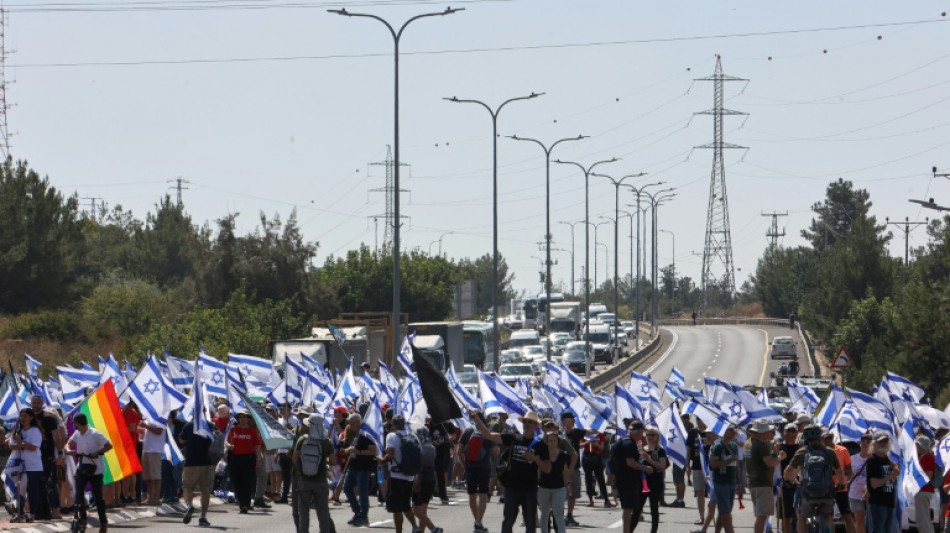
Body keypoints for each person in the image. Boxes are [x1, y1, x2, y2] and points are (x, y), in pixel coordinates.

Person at [471, 410, 550, 533]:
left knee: (530, 522)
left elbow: (547, 468)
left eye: (530, 422)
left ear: (535, 425)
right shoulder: (514, 438)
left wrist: (535, 458)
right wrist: (477, 419)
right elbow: (488, 435)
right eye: (525, 421)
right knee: (508, 521)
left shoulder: (540, 445)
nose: (526, 424)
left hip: (530, 489)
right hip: (512, 488)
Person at [783, 425, 843, 533]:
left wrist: (788, 481)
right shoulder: (829, 452)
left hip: (807, 493)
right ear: (820, 437)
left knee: (801, 517)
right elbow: (839, 470)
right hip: (826, 492)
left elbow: (788, 472)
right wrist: (841, 484)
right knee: (828, 517)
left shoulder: (802, 452)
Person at [66, 413, 113, 533]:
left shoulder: (95, 433)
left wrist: (98, 452)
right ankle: (82, 518)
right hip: (82, 468)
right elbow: (68, 443)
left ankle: (103, 520)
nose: (74, 426)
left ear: (78, 423)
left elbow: (109, 446)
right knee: (79, 494)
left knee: (98, 496)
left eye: (75, 423)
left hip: (95, 469)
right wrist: (68, 450)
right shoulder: (77, 434)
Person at [291, 413, 336, 533]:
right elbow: (333, 461)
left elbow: (294, 459)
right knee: (323, 511)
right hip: (320, 480)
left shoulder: (302, 439)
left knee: (303, 511)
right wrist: (322, 459)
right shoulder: (327, 442)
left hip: (304, 480)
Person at [612, 420, 654, 533]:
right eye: (642, 433)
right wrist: (645, 468)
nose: (643, 435)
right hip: (628, 480)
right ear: (638, 432)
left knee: (628, 508)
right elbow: (630, 462)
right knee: (628, 509)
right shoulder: (629, 444)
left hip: (623, 479)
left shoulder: (622, 441)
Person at [744, 420, 785, 533]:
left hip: (753, 482)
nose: (769, 433)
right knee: (762, 516)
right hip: (762, 483)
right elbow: (770, 463)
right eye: (768, 431)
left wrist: (770, 448)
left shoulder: (748, 443)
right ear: (762, 432)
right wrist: (780, 457)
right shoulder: (760, 445)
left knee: (761, 515)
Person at [382, 414, 421, 533]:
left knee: (396, 509)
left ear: (393, 425)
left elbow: (390, 455)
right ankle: (415, 527)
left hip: (396, 476)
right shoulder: (413, 436)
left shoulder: (391, 436)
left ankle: (399, 532)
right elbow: (420, 456)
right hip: (409, 476)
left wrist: (381, 460)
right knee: (405, 505)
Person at [458, 410, 495, 533]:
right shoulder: (486, 433)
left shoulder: (467, 431)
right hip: (484, 467)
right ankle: (479, 522)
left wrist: (465, 465)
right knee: (483, 495)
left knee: (472, 495)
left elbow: (459, 451)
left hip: (470, 467)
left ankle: (477, 521)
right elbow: (496, 451)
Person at [179, 409, 215, 528]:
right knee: (205, 490)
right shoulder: (210, 425)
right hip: (207, 462)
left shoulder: (189, 425)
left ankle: (189, 505)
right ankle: (203, 517)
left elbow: (181, 439)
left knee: (188, 487)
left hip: (191, 462)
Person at [31, 394, 65, 519]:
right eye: (34, 403)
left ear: (42, 403)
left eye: (38, 403)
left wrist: (60, 454)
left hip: (48, 455)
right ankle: (41, 511)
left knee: (50, 483)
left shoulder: (49, 418)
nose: (36, 405)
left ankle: (56, 510)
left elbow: (58, 437)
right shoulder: (28, 417)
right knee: (37, 484)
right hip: (33, 456)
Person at [8, 407, 43, 523]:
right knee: (19, 490)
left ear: (31, 418)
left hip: (34, 466)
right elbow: (11, 446)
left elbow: (33, 447)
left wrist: (21, 443)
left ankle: (32, 513)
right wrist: (20, 443)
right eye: (21, 416)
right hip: (19, 466)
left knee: (32, 490)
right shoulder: (17, 431)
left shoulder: (35, 431)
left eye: (25, 416)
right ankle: (19, 513)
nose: (22, 418)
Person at [342, 412, 376, 527]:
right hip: (353, 466)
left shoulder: (366, 434)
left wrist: (358, 452)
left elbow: (373, 450)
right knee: (347, 488)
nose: (350, 426)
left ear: (358, 422)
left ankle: (364, 516)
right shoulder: (356, 434)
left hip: (363, 468)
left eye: (351, 423)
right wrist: (348, 450)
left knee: (363, 493)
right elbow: (354, 447)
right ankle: (357, 512)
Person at [226, 411, 262, 513]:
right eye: (241, 417)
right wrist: (228, 446)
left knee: (246, 481)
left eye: (245, 417)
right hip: (235, 458)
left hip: (248, 458)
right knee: (236, 480)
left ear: (248, 419)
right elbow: (227, 441)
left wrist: (258, 459)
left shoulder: (252, 431)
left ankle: (245, 504)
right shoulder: (233, 429)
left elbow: (257, 445)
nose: (243, 419)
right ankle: (241, 500)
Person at [708, 426, 741, 533]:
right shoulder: (718, 446)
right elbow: (713, 464)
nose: (734, 432)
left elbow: (735, 465)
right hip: (721, 482)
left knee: (724, 511)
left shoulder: (734, 446)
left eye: (734, 430)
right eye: (731, 429)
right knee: (726, 512)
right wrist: (729, 460)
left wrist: (739, 482)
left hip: (731, 481)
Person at [865, 432, 899, 533]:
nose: (883, 444)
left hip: (889, 502)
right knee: (878, 530)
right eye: (880, 442)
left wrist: (895, 469)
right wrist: (891, 476)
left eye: (885, 442)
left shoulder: (886, 459)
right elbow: (874, 484)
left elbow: (896, 471)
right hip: (878, 502)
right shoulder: (872, 460)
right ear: (874, 444)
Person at [823, 431, 856, 533]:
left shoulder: (842, 450)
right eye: (825, 439)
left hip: (841, 487)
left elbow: (849, 471)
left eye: (830, 438)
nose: (828, 440)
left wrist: (838, 471)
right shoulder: (820, 451)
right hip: (826, 488)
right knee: (829, 516)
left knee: (846, 514)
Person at [560, 411, 589, 525]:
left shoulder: (576, 432)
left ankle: (569, 515)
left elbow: (591, 432)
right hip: (561, 469)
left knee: (573, 494)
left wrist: (607, 426)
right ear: (564, 421)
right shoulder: (557, 435)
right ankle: (559, 515)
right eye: (571, 420)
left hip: (575, 468)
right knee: (561, 494)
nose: (574, 422)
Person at [411, 427, 443, 533]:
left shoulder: (419, 448)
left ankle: (433, 528)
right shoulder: (432, 448)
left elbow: (418, 466)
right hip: (430, 478)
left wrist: (416, 481)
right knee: (424, 509)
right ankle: (422, 530)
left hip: (421, 478)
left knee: (415, 509)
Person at [537, 429, 569, 533]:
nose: (552, 443)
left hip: (559, 488)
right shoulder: (542, 454)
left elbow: (565, 471)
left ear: (558, 441)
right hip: (543, 487)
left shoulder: (563, 454)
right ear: (546, 441)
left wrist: (569, 484)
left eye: (554, 440)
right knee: (545, 513)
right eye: (550, 440)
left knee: (558, 513)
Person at [640, 426, 669, 533]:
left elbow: (662, 466)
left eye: (653, 435)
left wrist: (649, 460)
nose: (651, 437)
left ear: (657, 437)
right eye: (648, 434)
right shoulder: (642, 449)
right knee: (638, 509)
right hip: (642, 483)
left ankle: (653, 531)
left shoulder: (660, 450)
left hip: (655, 483)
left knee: (654, 509)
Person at [777, 423, 802, 533]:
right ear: (784, 432)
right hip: (783, 486)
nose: (791, 433)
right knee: (786, 516)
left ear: (797, 433)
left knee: (799, 515)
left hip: (799, 485)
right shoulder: (779, 448)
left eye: (793, 431)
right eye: (788, 431)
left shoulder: (800, 449)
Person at [686, 418, 708, 526]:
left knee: (714, 493)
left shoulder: (711, 431)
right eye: (698, 420)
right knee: (700, 492)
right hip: (697, 465)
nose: (700, 422)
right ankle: (702, 517)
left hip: (710, 466)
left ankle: (717, 516)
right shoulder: (693, 433)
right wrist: (687, 466)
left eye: (702, 419)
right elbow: (688, 449)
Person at [849, 433, 873, 533]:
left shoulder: (874, 459)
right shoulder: (853, 458)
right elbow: (848, 475)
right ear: (860, 444)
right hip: (855, 493)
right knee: (859, 521)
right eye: (863, 442)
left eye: (868, 442)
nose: (865, 444)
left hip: (871, 494)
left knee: (871, 521)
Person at [582, 428, 612, 508]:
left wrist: (596, 444)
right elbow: (580, 445)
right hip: (586, 456)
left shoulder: (600, 434)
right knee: (588, 478)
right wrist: (587, 442)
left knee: (600, 478)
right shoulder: (584, 433)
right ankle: (590, 499)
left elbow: (602, 447)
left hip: (596, 456)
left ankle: (606, 500)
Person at [139, 417, 165, 506]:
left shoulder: (161, 417)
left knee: (155, 476)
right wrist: (141, 431)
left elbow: (159, 431)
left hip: (155, 450)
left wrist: (146, 426)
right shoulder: (147, 418)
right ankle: (150, 497)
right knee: (148, 477)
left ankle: (156, 498)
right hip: (146, 449)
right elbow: (146, 433)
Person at [277, 403, 298, 504]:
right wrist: (277, 452)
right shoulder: (280, 420)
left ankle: (295, 497)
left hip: (291, 450)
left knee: (293, 475)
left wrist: (291, 429)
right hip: (281, 450)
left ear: (289, 409)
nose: (282, 410)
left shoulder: (294, 420)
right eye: (281, 408)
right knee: (285, 476)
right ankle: (284, 496)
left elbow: (297, 435)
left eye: (284, 408)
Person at [915, 435, 936, 533]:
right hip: (924, 491)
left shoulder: (927, 457)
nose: (916, 447)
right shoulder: (927, 456)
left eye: (917, 445)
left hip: (924, 491)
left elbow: (928, 475)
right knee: (925, 519)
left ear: (921, 445)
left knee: (922, 520)